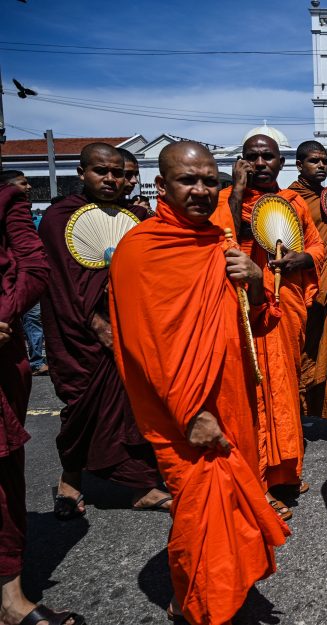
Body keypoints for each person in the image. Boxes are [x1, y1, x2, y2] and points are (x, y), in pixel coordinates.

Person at [109, 141, 289, 625]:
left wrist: (254, 278)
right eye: (189, 180)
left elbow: (253, 318)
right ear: (162, 186)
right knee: (199, 513)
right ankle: (200, 607)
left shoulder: (219, 242)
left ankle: (218, 594)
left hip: (231, 397)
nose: (202, 190)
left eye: (211, 180)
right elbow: (145, 346)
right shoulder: (140, 249)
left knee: (229, 509)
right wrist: (191, 413)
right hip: (184, 415)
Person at [37, 142, 170, 520]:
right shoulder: (58, 218)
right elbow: (61, 286)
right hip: (80, 336)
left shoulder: (136, 218)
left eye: (119, 172)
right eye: (101, 171)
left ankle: (142, 486)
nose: (111, 179)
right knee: (81, 407)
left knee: (133, 408)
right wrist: (99, 327)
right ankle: (70, 480)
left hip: (132, 330)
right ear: (81, 174)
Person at [213, 134, 325, 517]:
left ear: (281, 163)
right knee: (253, 394)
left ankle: (283, 472)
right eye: (252, 157)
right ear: (242, 162)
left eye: (268, 157)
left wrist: (300, 260)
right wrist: (237, 191)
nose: (260, 163)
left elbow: (317, 247)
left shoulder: (292, 203)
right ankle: (256, 483)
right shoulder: (225, 201)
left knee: (284, 389)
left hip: (284, 307)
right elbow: (220, 242)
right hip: (243, 309)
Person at [1, 178, 87, 625]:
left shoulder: (7, 200)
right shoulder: (59, 216)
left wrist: (5, 310)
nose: (116, 179)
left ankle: (9, 599)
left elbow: (32, 269)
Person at [287, 141, 327, 429]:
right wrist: (323, 280)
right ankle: (298, 408)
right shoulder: (290, 198)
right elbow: (291, 244)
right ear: (299, 165)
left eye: (324, 161)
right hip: (311, 285)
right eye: (314, 161)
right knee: (307, 348)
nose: (322, 166)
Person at [0, 171, 46, 376]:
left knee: (32, 322)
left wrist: (7, 312)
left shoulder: (14, 206)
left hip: (10, 301)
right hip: (11, 299)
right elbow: (35, 263)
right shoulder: (12, 202)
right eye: (23, 183)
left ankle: (36, 360)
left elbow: (33, 262)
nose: (28, 188)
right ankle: (37, 361)